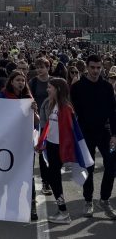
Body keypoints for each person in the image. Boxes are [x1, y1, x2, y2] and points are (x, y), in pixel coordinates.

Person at [70, 54, 116, 219]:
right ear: (87, 68)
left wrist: (114, 134)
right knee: (87, 168)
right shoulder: (77, 87)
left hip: (105, 132)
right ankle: (88, 200)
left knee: (111, 164)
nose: (96, 71)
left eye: (98, 68)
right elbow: (71, 112)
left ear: (102, 67)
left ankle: (104, 199)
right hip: (85, 133)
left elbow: (113, 111)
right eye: (92, 67)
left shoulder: (107, 87)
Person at [0, 70, 40, 221]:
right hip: (9, 143)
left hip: (25, 143)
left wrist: (34, 110)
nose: (21, 83)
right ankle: (11, 207)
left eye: (23, 80)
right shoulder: (3, 96)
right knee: (10, 174)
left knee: (27, 175)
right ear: (11, 82)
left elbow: (36, 122)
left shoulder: (28, 97)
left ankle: (32, 205)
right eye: (18, 80)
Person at [37, 78, 78, 224]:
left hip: (58, 149)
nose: (47, 90)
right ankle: (62, 210)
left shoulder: (66, 108)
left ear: (58, 90)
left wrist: (66, 154)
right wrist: (42, 142)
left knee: (54, 179)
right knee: (52, 178)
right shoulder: (53, 105)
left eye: (50, 87)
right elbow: (49, 126)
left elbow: (68, 132)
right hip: (51, 146)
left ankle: (64, 212)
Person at [29, 57, 53, 196]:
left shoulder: (54, 81)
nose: (39, 69)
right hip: (37, 122)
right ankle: (45, 182)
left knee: (50, 152)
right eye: (37, 67)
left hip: (52, 121)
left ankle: (48, 180)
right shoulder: (33, 82)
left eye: (42, 67)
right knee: (41, 151)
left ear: (48, 68)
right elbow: (29, 98)